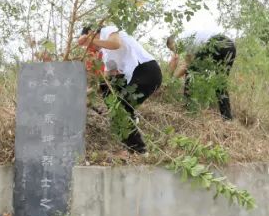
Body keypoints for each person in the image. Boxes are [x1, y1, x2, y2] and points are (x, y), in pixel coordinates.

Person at [78, 25, 162, 153]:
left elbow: (115, 44)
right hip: (133, 78)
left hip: (146, 71)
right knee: (110, 97)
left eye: (88, 45)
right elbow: (106, 79)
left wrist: (90, 40)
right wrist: (84, 94)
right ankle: (132, 142)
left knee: (121, 109)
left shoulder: (107, 31)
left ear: (91, 33)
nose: (90, 48)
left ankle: (140, 151)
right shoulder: (105, 54)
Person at [167, 27, 237, 120]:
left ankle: (188, 108)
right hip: (230, 46)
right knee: (220, 83)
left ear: (173, 41)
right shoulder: (192, 38)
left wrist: (171, 80)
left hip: (215, 42)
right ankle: (227, 118)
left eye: (172, 48)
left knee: (191, 71)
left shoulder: (184, 39)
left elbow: (185, 66)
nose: (175, 52)